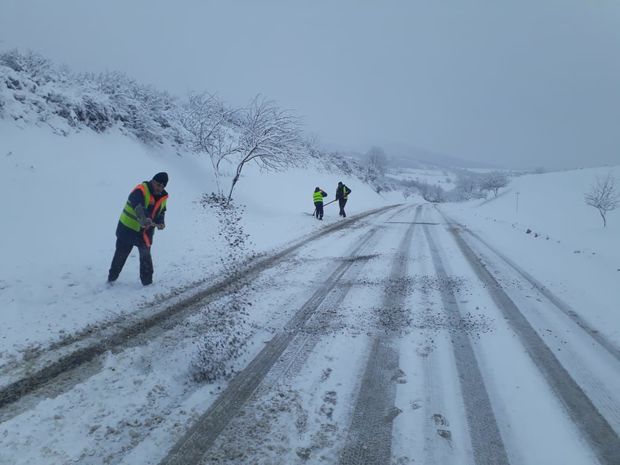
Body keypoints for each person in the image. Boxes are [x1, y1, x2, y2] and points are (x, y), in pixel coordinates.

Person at [108, 172, 169, 286]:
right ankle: (111, 279)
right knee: (120, 256)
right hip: (128, 230)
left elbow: (161, 211)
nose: (159, 188)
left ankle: (147, 284)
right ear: (153, 181)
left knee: (146, 257)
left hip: (145, 233)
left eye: (162, 186)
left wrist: (161, 222)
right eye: (158, 185)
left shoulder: (163, 197)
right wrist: (144, 218)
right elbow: (137, 205)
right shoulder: (140, 190)